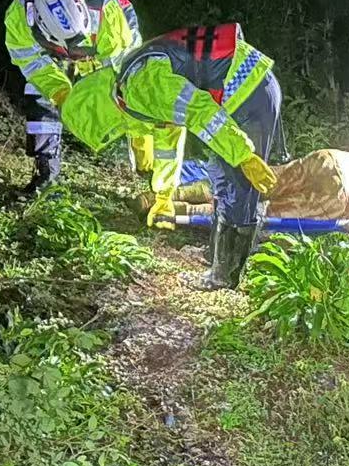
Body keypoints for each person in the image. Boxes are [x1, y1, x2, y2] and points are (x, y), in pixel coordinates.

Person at [61, 22, 281, 290]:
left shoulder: (142, 87)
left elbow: (199, 111)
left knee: (238, 187)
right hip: (238, 91)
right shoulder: (127, 87)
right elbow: (168, 141)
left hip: (247, 90)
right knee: (221, 178)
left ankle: (224, 278)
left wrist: (243, 155)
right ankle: (218, 259)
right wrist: (163, 196)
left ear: (104, 114)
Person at [4, 0, 148, 193]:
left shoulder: (108, 17)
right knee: (39, 90)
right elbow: (32, 63)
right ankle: (46, 171)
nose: (79, 54)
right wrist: (61, 94)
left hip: (113, 29)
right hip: (56, 45)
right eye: (75, 49)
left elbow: (122, 75)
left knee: (134, 91)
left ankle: (147, 164)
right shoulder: (19, 19)